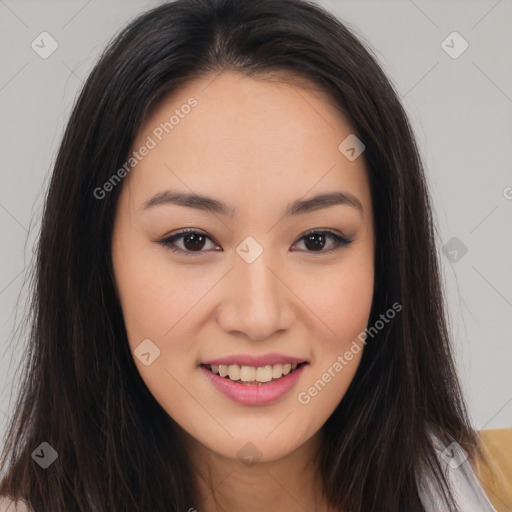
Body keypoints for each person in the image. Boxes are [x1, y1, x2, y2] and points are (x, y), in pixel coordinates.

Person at [0, 0, 501, 510]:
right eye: (193, 240)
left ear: (388, 261)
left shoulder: (482, 485)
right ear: (96, 263)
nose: (259, 317)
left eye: (317, 239)